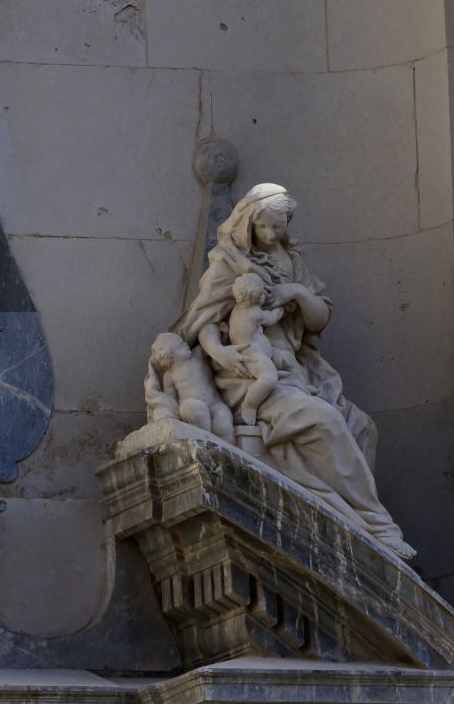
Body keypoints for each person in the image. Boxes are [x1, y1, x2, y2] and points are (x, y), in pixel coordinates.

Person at [173, 182, 414, 559]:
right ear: (248, 224)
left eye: (278, 226)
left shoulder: (292, 263)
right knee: (325, 422)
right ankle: (378, 527)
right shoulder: (227, 265)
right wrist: (220, 353)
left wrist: (298, 294)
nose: (271, 235)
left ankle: (350, 528)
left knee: (362, 426)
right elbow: (203, 318)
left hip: (301, 373)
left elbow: (318, 320)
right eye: (264, 227)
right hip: (249, 375)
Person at [196, 272, 283, 425]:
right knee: (269, 378)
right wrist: (279, 311)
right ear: (258, 296)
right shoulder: (256, 313)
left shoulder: (237, 310)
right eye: (263, 293)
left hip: (243, 351)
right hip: (252, 355)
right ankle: (250, 405)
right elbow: (272, 318)